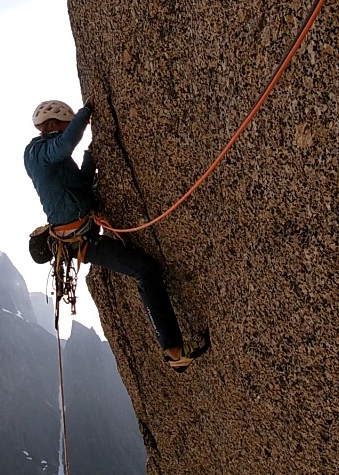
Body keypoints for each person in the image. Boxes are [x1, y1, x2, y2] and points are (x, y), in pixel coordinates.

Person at [24, 99, 209, 373]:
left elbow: (81, 187)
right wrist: (86, 113)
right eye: (64, 125)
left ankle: (173, 348)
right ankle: (172, 350)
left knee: (145, 270)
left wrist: (90, 156)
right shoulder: (36, 153)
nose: (66, 130)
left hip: (83, 235)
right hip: (80, 241)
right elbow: (64, 145)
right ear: (53, 124)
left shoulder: (56, 162)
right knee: (145, 271)